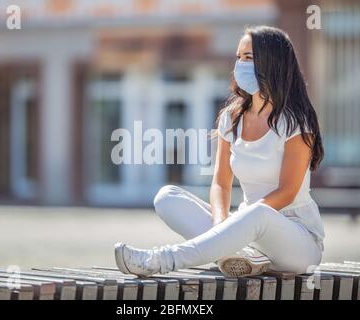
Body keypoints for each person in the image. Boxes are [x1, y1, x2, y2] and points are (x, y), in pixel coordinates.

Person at [114, 25, 325, 278]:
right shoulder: (231, 118)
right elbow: (221, 183)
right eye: (238, 57)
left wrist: (238, 225)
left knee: (258, 213)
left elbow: (288, 192)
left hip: (297, 241)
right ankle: (244, 257)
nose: (240, 64)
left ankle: (161, 260)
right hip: (248, 232)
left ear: (273, 62)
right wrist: (222, 226)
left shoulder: (295, 122)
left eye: (248, 57)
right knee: (166, 197)